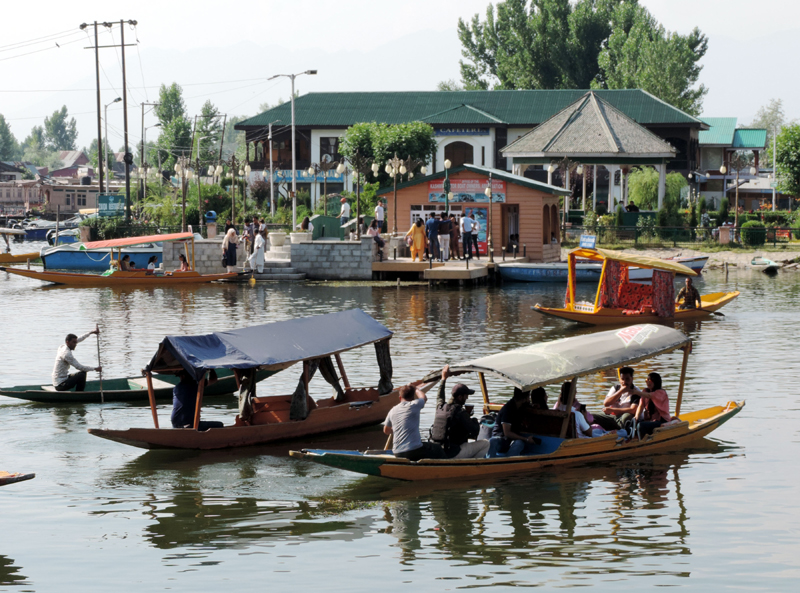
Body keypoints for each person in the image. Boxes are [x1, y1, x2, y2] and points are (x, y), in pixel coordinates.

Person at [428, 365, 490, 459]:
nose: (467, 398)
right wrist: (473, 419)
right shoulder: (460, 412)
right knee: (485, 443)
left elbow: (439, 396)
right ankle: (471, 467)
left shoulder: (440, 407)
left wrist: (443, 379)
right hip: (452, 453)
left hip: (438, 451)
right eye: (466, 396)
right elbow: (474, 431)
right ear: (460, 397)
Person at [383, 384, 445, 460]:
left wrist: (396, 429)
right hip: (413, 451)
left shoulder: (392, 410)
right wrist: (416, 389)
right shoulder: (415, 404)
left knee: (424, 446)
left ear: (400, 398)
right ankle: (445, 468)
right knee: (437, 448)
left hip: (397, 452)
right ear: (413, 398)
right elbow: (423, 397)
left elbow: (386, 431)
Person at [487, 388, 540, 457]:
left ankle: (509, 463)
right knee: (492, 441)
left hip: (511, 441)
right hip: (501, 439)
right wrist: (526, 439)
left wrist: (534, 407)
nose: (529, 399)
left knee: (520, 443)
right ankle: (490, 463)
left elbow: (530, 406)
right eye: (528, 396)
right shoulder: (508, 409)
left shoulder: (521, 406)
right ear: (524, 398)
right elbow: (507, 433)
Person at [592, 366, 639, 432]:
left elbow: (633, 410)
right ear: (620, 379)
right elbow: (606, 403)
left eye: (627, 379)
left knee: (626, 417)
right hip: (612, 417)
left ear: (632, 379)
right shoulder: (615, 388)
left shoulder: (636, 392)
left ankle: (624, 433)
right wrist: (620, 391)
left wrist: (612, 410)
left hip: (622, 417)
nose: (624, 382)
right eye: (622, 379)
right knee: (592, 417)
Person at [631, 372, 672, 439]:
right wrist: (636, 417)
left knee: (641, 426)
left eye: (650, 380)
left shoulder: (661, 392)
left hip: (661, 420)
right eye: (647, 380)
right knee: (633, 423)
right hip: (650, 419)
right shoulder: (645, 391)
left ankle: (643, 442)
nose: (648, 382)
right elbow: (641, 406)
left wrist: (636, 392)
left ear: (655, 381)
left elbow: (650, 395)